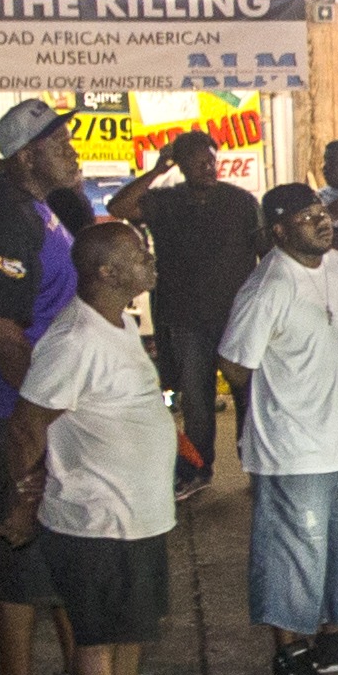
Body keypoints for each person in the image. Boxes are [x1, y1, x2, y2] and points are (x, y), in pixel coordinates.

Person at [2, 218, 190, 675]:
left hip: (138, 514)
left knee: (131, 629)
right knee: (98, 637)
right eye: (139, 254)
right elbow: (29, 423)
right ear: (106, 271)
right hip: (96, 516)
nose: (150, 261)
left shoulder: (120, 324)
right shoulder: (75, 339)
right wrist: (21, 499)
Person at [226, 178, 338, 675]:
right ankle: (288, 657)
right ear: (278, 231)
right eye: (305, 217)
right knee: (292, 555)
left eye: (320, 210)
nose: (321, 220)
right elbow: (233, 365)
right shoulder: (268, 286)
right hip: (292, 448)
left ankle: (333, 641)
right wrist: (274, 412)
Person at [0, 100, 92, 675]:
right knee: (21, 546)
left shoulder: (36, 210)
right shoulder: (9, 218)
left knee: (50, 544)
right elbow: (2, 332)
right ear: (23, 157)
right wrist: (43, 408)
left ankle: (75, 673)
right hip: (18, 410)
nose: (70, 148)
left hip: (39, 403)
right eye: (56, 140)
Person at [131, 131, 269, 489]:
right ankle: (198, 469)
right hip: (187, 318)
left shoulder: (239, 201)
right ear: (181, 164)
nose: (209, 167)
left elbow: (263, 250)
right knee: (197, 401)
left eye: (212, 160)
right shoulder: (166, 201)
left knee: (247, 396)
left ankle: (254, 465)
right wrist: (158, 168)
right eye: (199, 161)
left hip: (236, 318)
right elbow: (119, 207)